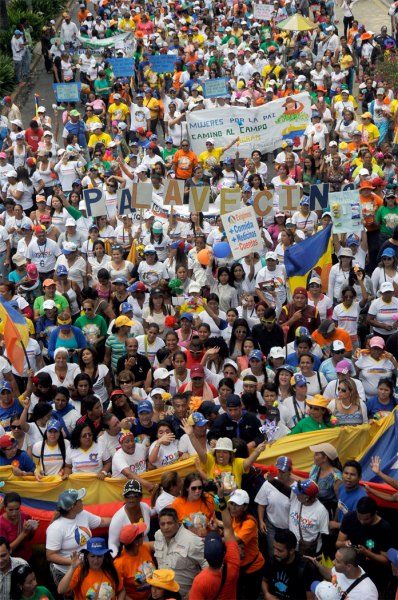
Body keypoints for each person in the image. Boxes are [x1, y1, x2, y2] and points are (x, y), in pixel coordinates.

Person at [46, 488, 110, 587]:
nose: (82, 501)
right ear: (73, 506)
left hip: (85, 567)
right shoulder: (55, 528)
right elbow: (50, 555)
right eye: (79, 500)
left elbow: (102, 522)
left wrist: (120, 520)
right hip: (66, 573)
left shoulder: (82, 514)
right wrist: (73, 562)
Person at [189, 483, 241, 600]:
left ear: (205, 557)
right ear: (224, 553)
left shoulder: (200, 581)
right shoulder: (233, 563)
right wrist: (221, 498)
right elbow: (228, 528)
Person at [336, 496, 393, 591]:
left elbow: (385, 560)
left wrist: (366, 552)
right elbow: (338, 543)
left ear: (375, 513)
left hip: (373, 574)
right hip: (351, 570)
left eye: (366, 519)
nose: (362, 522)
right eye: (359, 518)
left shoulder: (384, 528)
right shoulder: (350, 517)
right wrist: (345, 544)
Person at [154, 507, 208, 598]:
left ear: (177, 522)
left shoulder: (192, 541)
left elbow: (207, 566)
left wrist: (194, 590)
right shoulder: (158, 535)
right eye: (162, 524)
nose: (166, 527)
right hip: (162, 594)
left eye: (169, 523)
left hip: (184, 596)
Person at [255, 456, 295, 558]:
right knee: (273, 553)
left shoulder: (296, 488)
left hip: (290, 529)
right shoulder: (268, 483)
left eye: (283, 471)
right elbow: (261, 503)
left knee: (287, 554)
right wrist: (261, 521)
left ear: (290, 471)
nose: (280, 474)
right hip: (271, 526)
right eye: (279, 470)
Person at [262, 528, 319, 600]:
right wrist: (267, 594)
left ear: (291, 551)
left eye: (280, 550)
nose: (275, 553)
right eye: (274, 548)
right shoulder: (273, 560)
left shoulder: (305, 568)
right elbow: (264, 580)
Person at [57, 537, 123, 599]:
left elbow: (121, 590)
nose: (96, 560)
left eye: (99, 556)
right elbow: (60, 590)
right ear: (87, 556)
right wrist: (72, 568)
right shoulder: (80, 571)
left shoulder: (111, 570)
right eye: (92, 556)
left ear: (104, 556)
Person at [310, 546, 378, 600]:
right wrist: (317, 564)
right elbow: (331, 575)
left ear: (348, 566)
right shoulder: (341, 570)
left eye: (337, 561)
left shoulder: (368, 593)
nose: (333, 562)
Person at [108, 480, 152, 557]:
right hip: (128, 555)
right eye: (127, 495)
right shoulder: (118, 519)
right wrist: (117, 559)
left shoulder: (145, 507)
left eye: (135, 495)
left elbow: (155, 509)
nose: (131, 498)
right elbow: (112, 543)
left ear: (141, 497)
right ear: (124, 497)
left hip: (146, 551)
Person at [113, 522, 156, 600]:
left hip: (152, 596)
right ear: (136, 542)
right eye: (142, 534)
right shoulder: (119, 564)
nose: (144, 535)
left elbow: (156, 544)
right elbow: (120, 591)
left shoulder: (144, 547)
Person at [289, 479, 329, 557]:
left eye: (298, 493)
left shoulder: (321, 511)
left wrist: (323, 554)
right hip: (292, 546)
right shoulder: (296, 498)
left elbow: (325, 535)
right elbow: (283, 488)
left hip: (309, 551)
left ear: (306, 497)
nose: (296, 494)